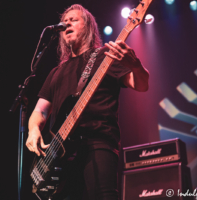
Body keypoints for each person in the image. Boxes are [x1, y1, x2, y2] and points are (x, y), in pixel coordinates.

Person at [26, 4, 149, 200]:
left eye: (73, 20)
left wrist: (135, 64)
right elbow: (40, 111)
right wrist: (33, 130)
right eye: (64, 22)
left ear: (89, 27)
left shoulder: (105, 57)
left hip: (97, 143)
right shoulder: (56, 72)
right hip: (61, 155)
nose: (66, 24)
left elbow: (141, 85)